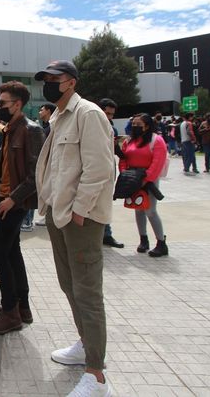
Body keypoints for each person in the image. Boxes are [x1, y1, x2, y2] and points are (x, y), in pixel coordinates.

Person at [35, 60, 115, 396]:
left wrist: (81, 210)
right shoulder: (59, 116)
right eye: (45, 79)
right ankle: (85, 344)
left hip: (80, 218)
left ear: (71, 82)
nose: (48, 83)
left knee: (87, 292)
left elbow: (100, 168)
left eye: (54, 78)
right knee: (70, 285)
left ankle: (96, 375)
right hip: (59, 214)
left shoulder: (88, 113)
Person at [0, 81, 44, 335]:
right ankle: (22, 307)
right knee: (11, 252)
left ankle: (11, 312)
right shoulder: (10, 129)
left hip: (15, 202)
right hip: (6, 199)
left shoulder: (31, 130)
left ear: (17, 104)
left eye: (3, 103)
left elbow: (36, 174)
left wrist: (12, 199)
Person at [120, 114, 169, 257]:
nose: (135, 126)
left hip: (149, 181)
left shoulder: (156, 140)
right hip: (133, 179)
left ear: (147, 126)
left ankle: (161, 243)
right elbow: (123, 159)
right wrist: (125, 174)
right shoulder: (129, 140)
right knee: (138, 209)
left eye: (138, 124)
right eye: (133, 124)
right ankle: (143, 239)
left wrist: (146, 179)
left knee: (150, 211)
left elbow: (157, 162)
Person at [98, 99, 125, 249]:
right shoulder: (89, 125)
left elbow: (117, 152)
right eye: (107, 113)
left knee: (105, 202)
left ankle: (106, 234)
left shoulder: (112, 128)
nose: (109, 117)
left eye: (111, 114)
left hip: (108, 168)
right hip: (92, 169)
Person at [33, 102, 56, 228]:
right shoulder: (46, 127)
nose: (40, 112)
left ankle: (49, 214)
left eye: (42, 110)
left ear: (48, 111)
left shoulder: (52, 127)